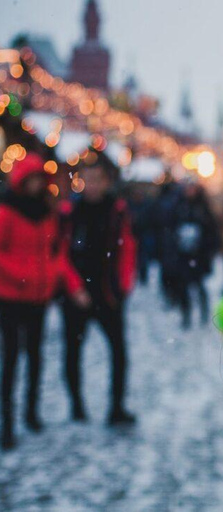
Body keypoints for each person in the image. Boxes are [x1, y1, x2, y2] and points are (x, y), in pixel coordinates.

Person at [0, 153, 89, 449]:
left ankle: (31, 412)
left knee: (36, 357)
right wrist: (22, 276)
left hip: (39, 297)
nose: (38, 184)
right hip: (11, 297)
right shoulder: (7, 212)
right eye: (33, 179)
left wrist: (61, 282)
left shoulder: (47, 213)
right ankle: (8, 421)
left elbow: (56, 254)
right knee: (11, 358)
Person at [60, 158, 137, 425]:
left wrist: (123, 286)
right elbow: (61, 253)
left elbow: (127, 247)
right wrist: (74, 288)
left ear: (106, 181)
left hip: (108, 293)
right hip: (76, 296)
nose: (92, 185)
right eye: (87, 179)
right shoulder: (70, 211)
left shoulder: (116, 209)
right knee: (72, 351)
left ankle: (116, 407)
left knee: (119, 353)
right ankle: (77, 405)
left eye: (97, 180)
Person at [169, 180, 220, 329]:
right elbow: (170, 229)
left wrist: (209, 251)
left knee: (199, 285)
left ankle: (204, 313)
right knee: (183, 286)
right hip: (183, 256)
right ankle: (186, 314)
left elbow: (212, 231)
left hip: (199, 256)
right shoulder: (179, 207)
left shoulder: (203, 209)